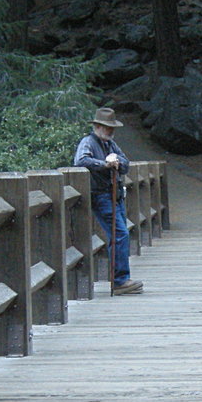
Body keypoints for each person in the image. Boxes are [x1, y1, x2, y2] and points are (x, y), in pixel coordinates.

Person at [73, 107, 142, 294]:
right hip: (101, 195)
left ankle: (120, 279)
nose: (110, 131)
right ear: (96, 126)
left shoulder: (111, 145)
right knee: (120, 234)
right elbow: (81, 161)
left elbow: (126, 164)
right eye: (106, 127)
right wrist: (105, 164)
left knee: (119, 234)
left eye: (112, 127)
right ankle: (120, 280)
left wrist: (118, 161)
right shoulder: (88, 142)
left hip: (115, 195)